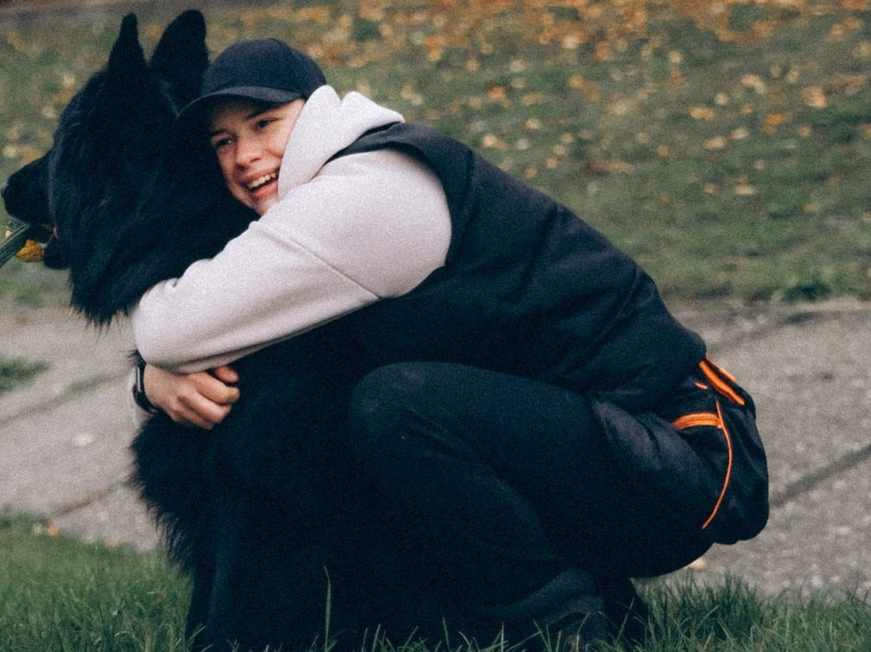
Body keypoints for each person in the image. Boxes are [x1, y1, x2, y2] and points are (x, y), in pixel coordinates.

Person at [131, 37, 769, 652]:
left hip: (689, 452)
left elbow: (173, 326)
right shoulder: (347, 193)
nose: (244, 155)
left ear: (319, 113)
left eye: (264, 124)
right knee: (364, 405)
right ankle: (593, 609)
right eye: (224, 142)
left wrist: (159, 362)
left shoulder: (369, 192)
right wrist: (151, 381)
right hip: (618, 449)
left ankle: (561, 630)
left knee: (396, 407)